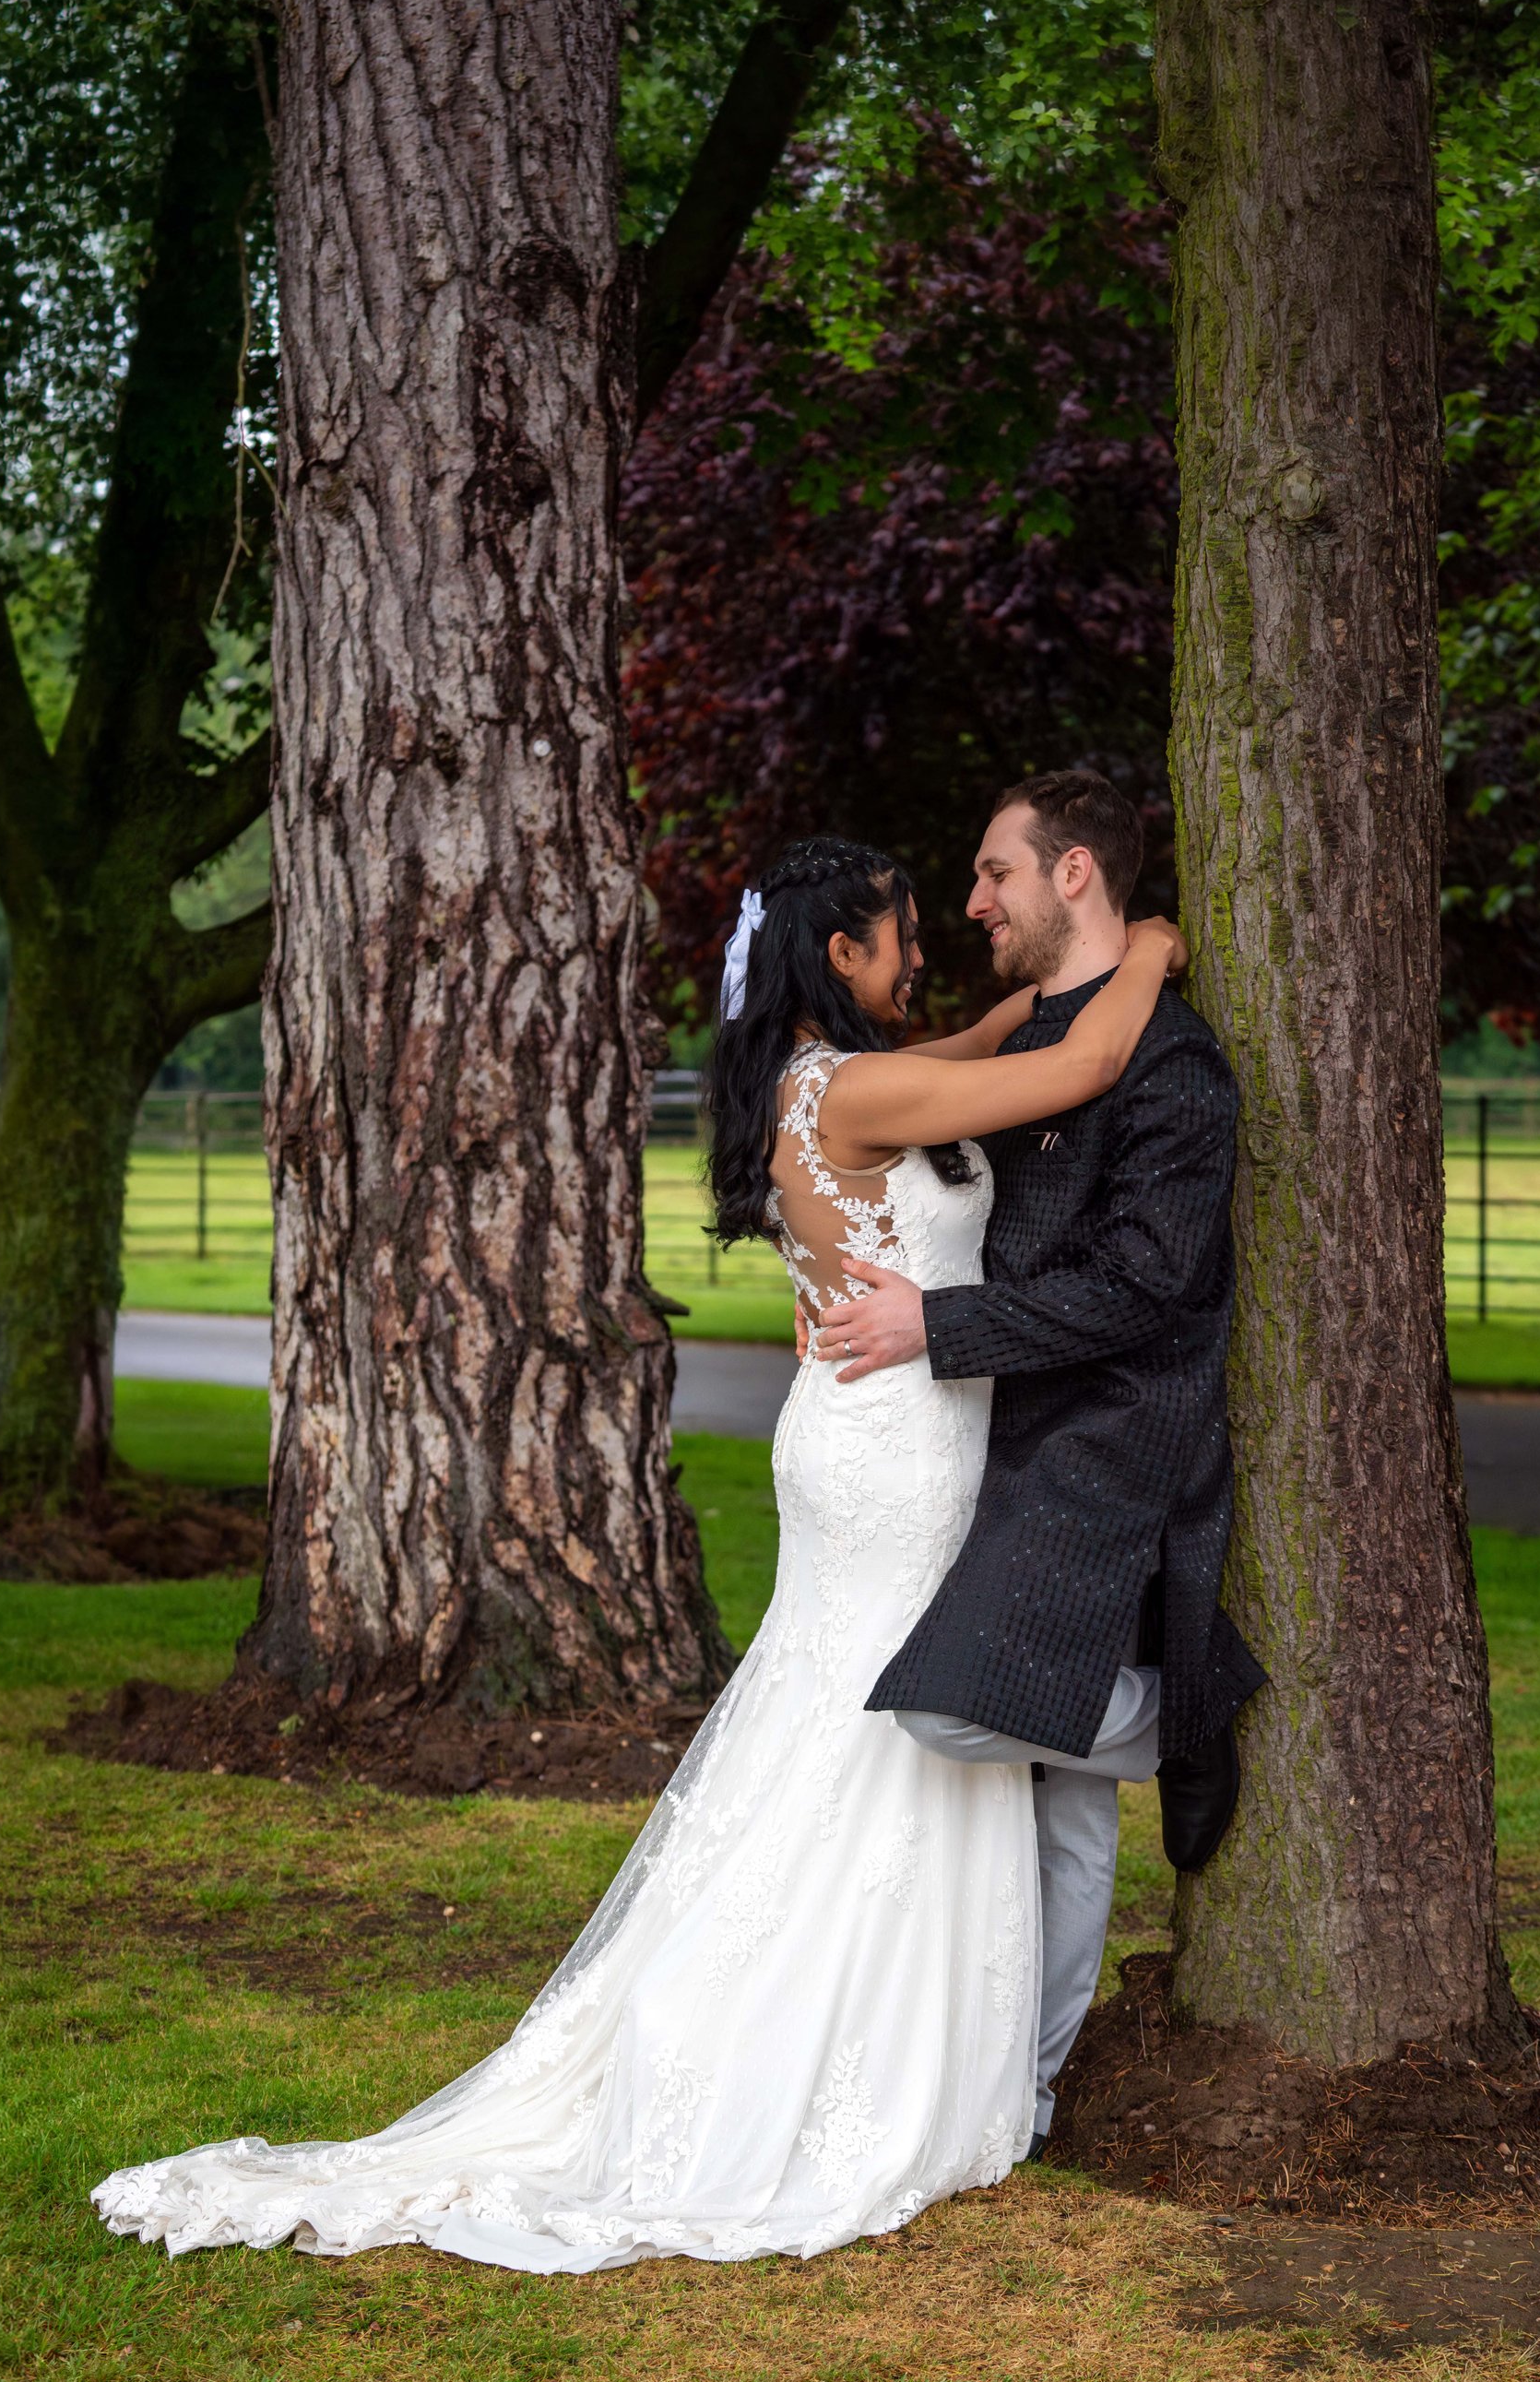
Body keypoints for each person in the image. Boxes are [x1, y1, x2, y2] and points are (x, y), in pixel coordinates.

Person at [93, 835, 1184, 2274]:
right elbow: (1070, 1067)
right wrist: (1156, 943)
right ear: (839, 955)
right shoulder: (858, 1087)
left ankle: (846, 2026)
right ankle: (855, 2054)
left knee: (827, 1727)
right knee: (895, 1737)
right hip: (903, 1453)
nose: (922, 954)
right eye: (900, 933)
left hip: (857, 1439)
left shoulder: (814, 1081)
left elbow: (984, 1039)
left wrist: (1013, 1006)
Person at [810, 769, 1264, 2155]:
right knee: (1053, 1802)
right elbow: (1034, 1070)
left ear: (1074, 875)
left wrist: (935, 1322)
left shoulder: (1173, 1065)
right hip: (999, 1432)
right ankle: (1029, 2091)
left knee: (962, 1719)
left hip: (1114, 1443)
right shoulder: (1047, 1040)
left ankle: (1183, 1717)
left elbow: (1142, 1285)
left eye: (995, 871)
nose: (973, 900)